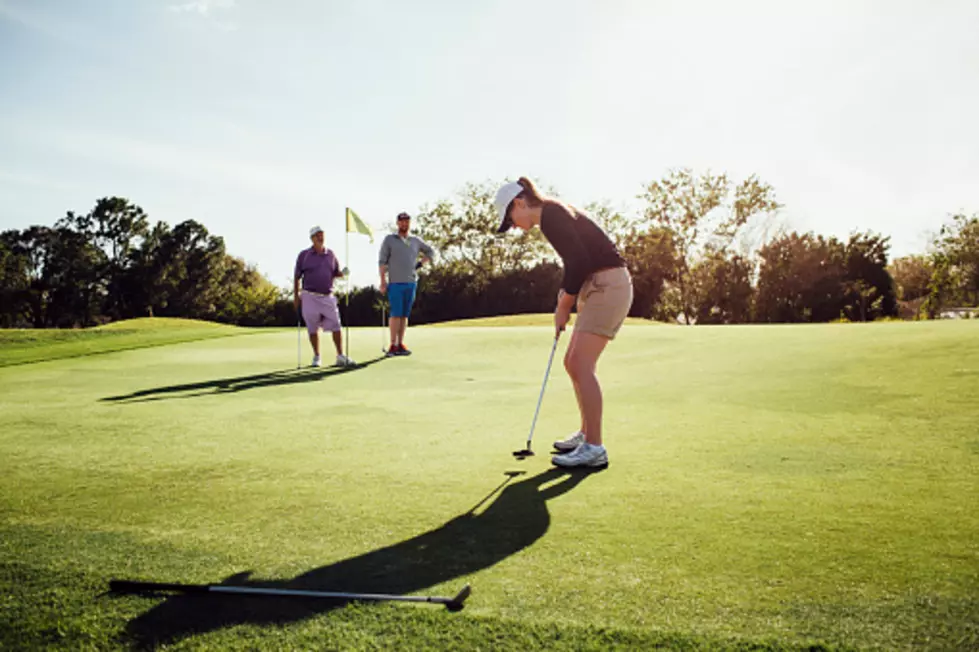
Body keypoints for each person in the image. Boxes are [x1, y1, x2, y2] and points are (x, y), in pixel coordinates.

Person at [494, 177, 633, 469]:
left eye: (511, 219)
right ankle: (586, 434)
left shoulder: (551, 215)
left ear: (519, 203)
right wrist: (564, 296)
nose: (515, 226)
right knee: (572, 362)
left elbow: (579, 262)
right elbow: (576, 262)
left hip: (608, 286)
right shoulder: (552, 213)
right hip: (598, 285)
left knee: (581, 364)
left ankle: (595, 447)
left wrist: (565, 304)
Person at [294, 226, 356, 368]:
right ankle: (317, 356)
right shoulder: (304, 255)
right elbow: (297, 276)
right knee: (312, 328)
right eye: (317, 235)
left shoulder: (331, 255)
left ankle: (340, 355)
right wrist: (296, 297)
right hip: (309, 295)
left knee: (336, 324)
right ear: (312, 238)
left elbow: (335, 272)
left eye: (322, 235)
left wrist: (343, 273)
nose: (320, 237)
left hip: (327, 296)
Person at [378, 212, 436, 356]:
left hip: (411, 282)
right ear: (397, 223)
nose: (404, 224)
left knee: (404, 315)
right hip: (395, 283)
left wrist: (420, 263)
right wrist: (382, 282)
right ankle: (393, 345)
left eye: (407, 222)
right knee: (395, 314)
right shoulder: (390, 240)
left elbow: (430, 252)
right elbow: (382, 262)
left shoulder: (415, 241)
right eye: (402, 222)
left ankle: (400, 344)